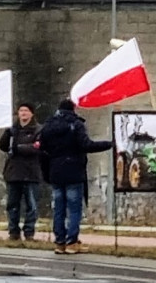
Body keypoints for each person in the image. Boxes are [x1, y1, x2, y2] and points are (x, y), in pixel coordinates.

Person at [38, 99, 113, 255]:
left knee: (58, 209)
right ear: (74, 109)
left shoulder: (48, 126)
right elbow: (86, 145)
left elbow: (42, 152)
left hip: (56, 172)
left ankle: (59, 242)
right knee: (74, 209)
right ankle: (72, 241)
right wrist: (108, 144)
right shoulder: (76, 124)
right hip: (74, 171)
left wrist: (47, 173)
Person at [0, 103, 42, 241]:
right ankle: (13, 232)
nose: (23, 113)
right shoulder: (12, 130)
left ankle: (29, 232)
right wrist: (7, 133)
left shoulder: (38, 130)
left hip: (31, 173)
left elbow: (37, 148)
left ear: (31, 113)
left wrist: (18, 148)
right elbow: (2, 146)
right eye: (21, 111)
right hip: (13, 172)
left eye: (26, 111)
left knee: (31, 205)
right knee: (12, 205)